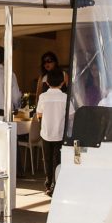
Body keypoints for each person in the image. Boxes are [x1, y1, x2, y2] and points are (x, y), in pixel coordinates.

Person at [36, 67, 65, 195]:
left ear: (47, 83)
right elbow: (71, 115)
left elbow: (39, 114)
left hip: (46, 132)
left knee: (47, 159)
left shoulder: (43, 97)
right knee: (58, 160)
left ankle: (48, 185)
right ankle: (57, 184)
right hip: (60, 132)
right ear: (63, 82)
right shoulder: (65, 97)